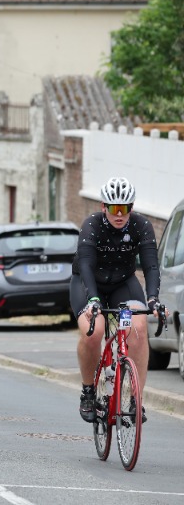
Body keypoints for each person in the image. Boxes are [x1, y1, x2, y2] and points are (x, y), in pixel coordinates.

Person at [72, 177, 162, 424]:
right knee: (94, 332)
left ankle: (135, 399)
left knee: (139, 329)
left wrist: (153, 299)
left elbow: (151, 266)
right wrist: (93, 299)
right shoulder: (92, 225)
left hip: (123, 283)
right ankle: (88, 391)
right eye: (114, 208)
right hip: (89, 283)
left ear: (132, 207)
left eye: (124, 208)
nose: (119, 214)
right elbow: (86, 265)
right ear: (104, 207)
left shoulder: (141, 226)